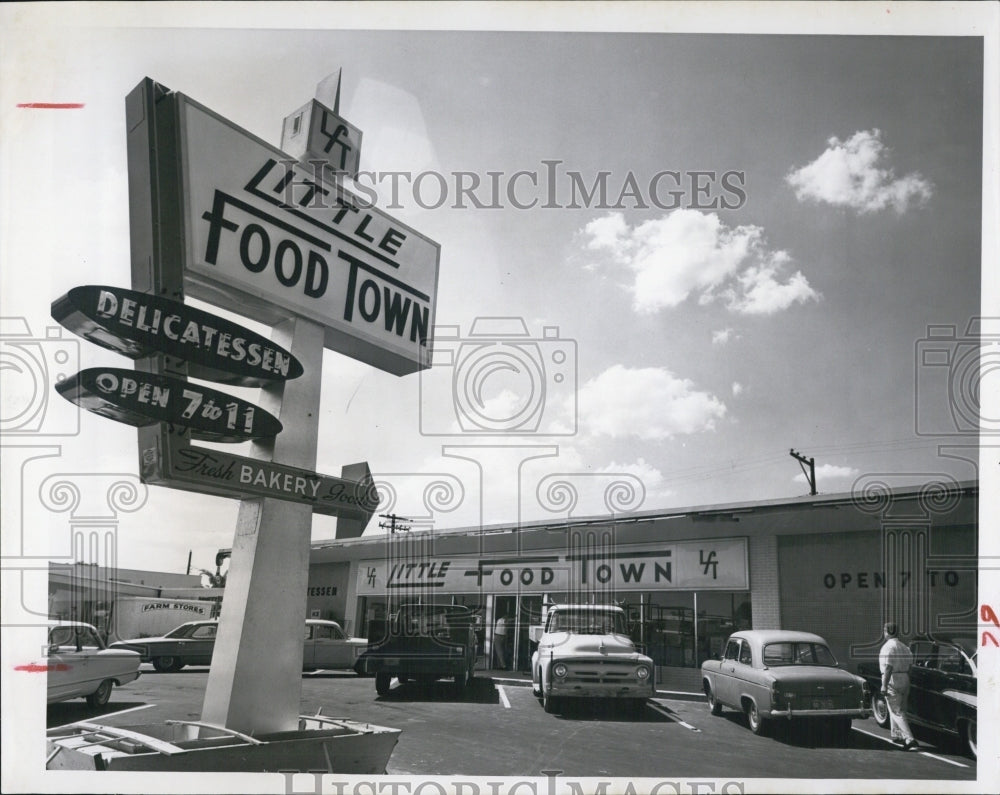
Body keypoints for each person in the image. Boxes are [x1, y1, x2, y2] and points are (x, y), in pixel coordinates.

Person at [879, 622, 918, 750]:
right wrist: (907, 680)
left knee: (896, 710)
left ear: (886, 631)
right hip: (905, 677)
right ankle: (896, 734)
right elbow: (911, 667)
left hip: (892, 678)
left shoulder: (888, 647)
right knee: (900, 708)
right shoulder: (905, 647)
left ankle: (909, 738)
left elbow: (888, 667)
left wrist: (884, 685)